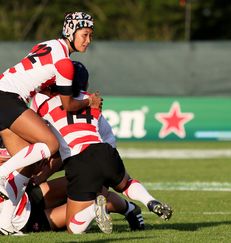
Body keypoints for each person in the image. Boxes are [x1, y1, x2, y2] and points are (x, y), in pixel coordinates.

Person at [30, 61, 173, 234]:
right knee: (126, 183)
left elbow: (35, 132)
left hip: (77, 161)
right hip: (103, 152)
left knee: (73, 228)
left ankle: (96, 209)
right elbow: (109, 140)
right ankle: (149, 200)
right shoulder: (93, 102)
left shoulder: (43, 103)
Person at [0, 11, 102, 225]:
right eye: (84, 34)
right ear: (70, 32)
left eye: (91, 35)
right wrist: (89, 101)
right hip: (7, 97)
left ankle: (5, 222)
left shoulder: (48, 45)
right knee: (51, 143)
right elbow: (68, 104)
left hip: (6, 95)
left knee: (28, 166)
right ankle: (2, 176)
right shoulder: (64, 62)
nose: (88, 40)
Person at [0, 174, 145, 233]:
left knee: (84, 180)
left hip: (23, 196)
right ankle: (130, 209)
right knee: (88, 208)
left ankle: (128, 205)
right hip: (22, 220)